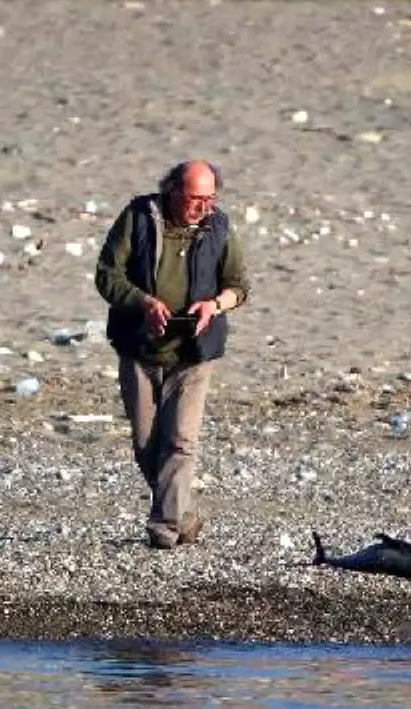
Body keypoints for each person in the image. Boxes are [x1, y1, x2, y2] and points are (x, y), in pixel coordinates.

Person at [94, 160, 250, 549]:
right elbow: (107, 275)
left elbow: (239, 286)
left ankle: (163, 527)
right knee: (148, 444)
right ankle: (185, 514)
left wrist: (214, 305)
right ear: (172, 191)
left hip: (196, 352)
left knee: (180, 441)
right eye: (196, 198)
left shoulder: (219, 225)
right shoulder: (138, 217)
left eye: (210, 198)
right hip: (140, 348)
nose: (204, 207)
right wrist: (143, 302)